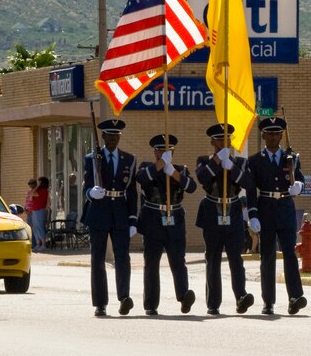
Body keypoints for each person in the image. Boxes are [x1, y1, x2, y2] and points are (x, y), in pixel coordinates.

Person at [246, 117, 307, 315]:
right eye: (269, 133)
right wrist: (252, 215)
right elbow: (251, 191)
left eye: (277, 133)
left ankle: (295, 297)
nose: (273, 137)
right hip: (266, 208)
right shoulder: (255, 161)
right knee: (268, 256)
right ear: (263, 135)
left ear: (282, 135)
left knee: (290, 253)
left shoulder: (291, 157)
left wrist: (299, 186)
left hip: (286, 207)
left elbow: (300, 178)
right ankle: (268, 301)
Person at [195, 124, 257, 315]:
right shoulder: (204, 160)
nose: (224, 142)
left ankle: (241, 296)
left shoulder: (240, 162)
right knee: (212, 258)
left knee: (235, 258)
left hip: (234, 210)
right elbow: (202, 178)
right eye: (219, 139)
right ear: (212, 142)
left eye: (227, 139)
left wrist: (231, 167)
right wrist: (216, 162)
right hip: (212, 210)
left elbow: (248, 183)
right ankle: (213, 303)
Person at [135, 134, 197, 316]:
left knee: (178, 261)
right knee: (152, 262)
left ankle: (184, 296)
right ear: (154, 152)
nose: (164, 153)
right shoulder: (147, 167)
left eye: (168, 150)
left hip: (175, 220)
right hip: (153, 219)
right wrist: (161, 165)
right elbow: (141, 179)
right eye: (160, 150)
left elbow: (192, 187)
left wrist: (174, 173)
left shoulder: (180, 169)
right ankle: (151, 304)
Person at [82, 119, 137, 317]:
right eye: (110, 135)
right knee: (98, 258)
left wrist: (133, 219)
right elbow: (85, 187)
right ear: (103, 137)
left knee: (123, 257)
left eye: (117, 136)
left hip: (121, 212)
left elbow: (132, 192)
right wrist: (91, 193)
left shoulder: (129, 160)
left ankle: (124, 297)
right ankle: (100, 303)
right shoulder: (92, 158)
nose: (113, 139)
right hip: (98, 211)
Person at [29, 177, 50, 252]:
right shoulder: (39, 190)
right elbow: (31, 197)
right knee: (35, 227)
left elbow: (33, 193)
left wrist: (37, 186)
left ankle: (43, 244)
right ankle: (38, 243)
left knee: (39, 226)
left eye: (39, 182)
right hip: (35, 210)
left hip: (40, 210)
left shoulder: (44, 191)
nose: (38, 184)